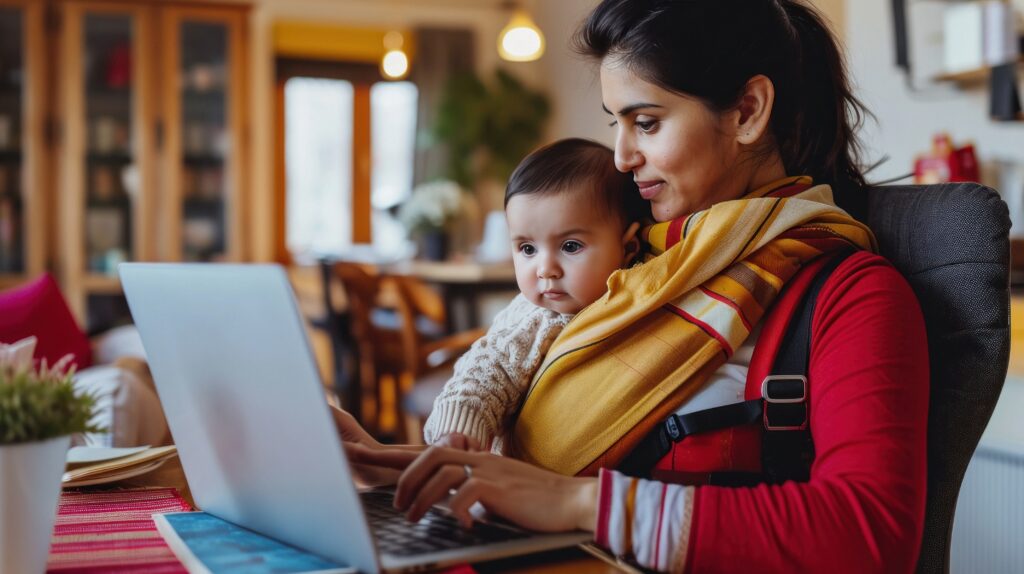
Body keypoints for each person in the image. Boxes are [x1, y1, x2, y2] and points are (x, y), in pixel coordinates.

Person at [337, 1, 929, 572]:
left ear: (747, 110)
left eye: (646, 123)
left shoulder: (851, 295)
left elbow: (869, 536)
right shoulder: (630, 265)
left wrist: (577, 503)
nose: (621, 157)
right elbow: (540, 465)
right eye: (615, 124)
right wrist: (396, 473)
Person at [423, 138, 648, 451]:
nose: (545, 269)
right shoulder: (537, 319)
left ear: (628, 249)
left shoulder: (640, 295)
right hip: (503, 480)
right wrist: (458, 431)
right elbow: (488, 370)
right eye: (527, 248)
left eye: (570, 246)